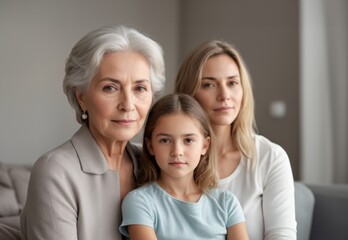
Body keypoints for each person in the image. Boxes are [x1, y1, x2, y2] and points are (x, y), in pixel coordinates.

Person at [19, 25, 165, 240]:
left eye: (140, 88)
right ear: (81, 96)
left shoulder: (154, 160)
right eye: (110, 88)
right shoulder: (55, 171)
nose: (128, 104)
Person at [175, 40, 296, 239]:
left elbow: (282, 235)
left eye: (232, 83)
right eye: (209, 84)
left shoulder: (270, 157)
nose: (224, 95)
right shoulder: (169, 157)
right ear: (188, 93)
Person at [119, 93, 249, 240]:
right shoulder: (140, 202)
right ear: (150, 146)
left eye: (188, 140)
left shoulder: (227, 203)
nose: (177, 152)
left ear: (205, 146)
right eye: (165, 140)